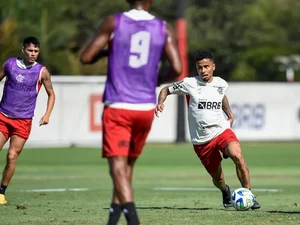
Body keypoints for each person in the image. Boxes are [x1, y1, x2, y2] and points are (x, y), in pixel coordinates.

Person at [80, 0, 182, 224]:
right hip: (145, 108)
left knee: (117, 169)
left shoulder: (114, 22)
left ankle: (134, 221)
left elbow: (86, 57)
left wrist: (107, 51)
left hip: (118, 106)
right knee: (126, 170)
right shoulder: (164, 27)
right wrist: (155, 81)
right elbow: (176, 68)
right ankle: (112, 221)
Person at [155, 50, 261, 210]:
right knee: (218, 179)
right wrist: (160, 102)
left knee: (237, 155)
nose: (203, 70)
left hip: (221, 131)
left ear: (213, 67)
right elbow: (165, 90)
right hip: (201, 141)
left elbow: (222, 97)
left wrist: (230, 114)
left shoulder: (221, 83)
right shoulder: (189, 84)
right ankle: (225, 191)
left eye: (206, 66)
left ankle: (249, 195)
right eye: (199, 67)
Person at [0, 37, 55, 205]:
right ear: (23, 49)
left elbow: (51, 94)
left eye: (36, 51)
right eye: (30, 50)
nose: (33, 54)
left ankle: (1, 192)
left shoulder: (42, 72)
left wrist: (47, 115)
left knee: (12, 156)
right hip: (3, 116)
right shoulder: (10, 64)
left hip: (23, 121)